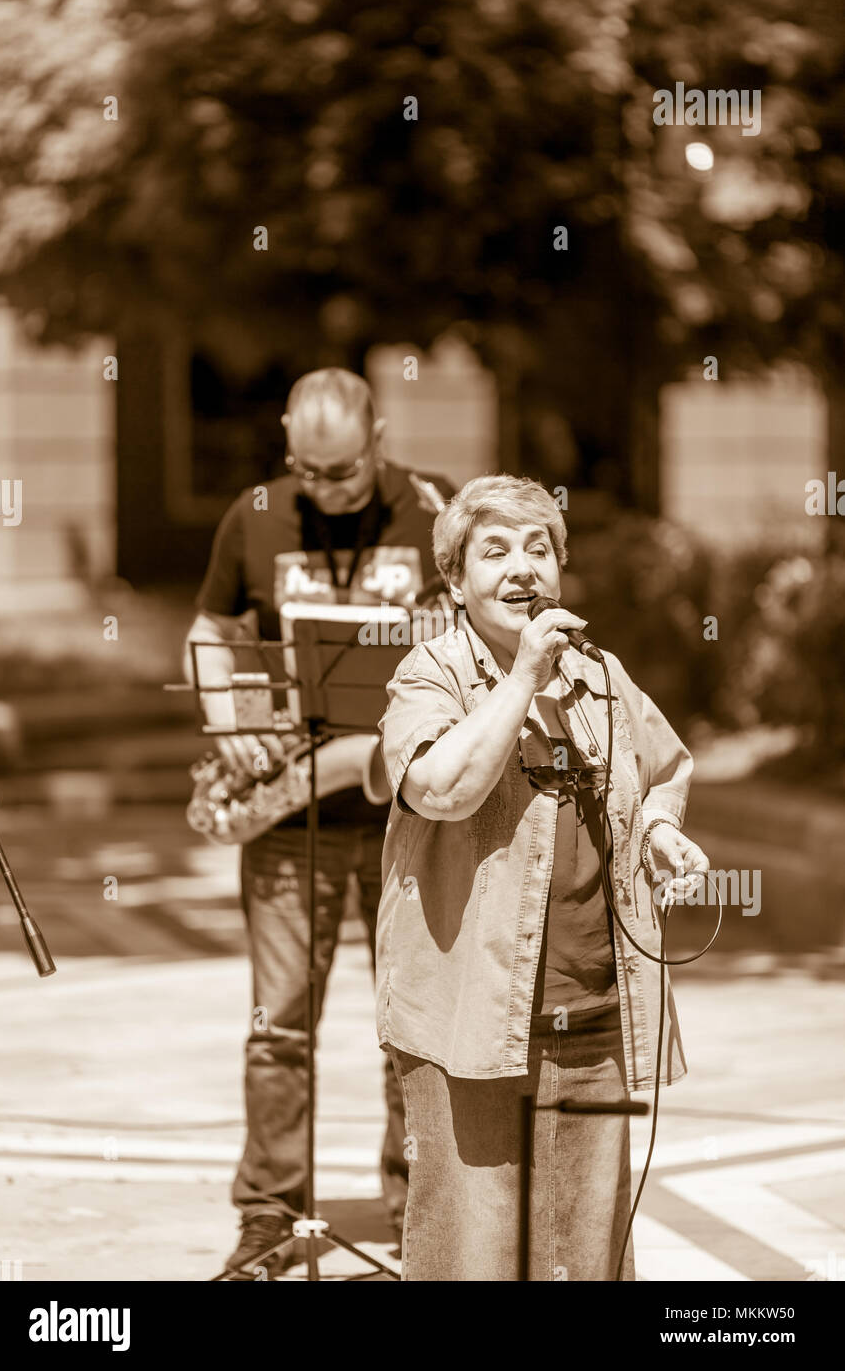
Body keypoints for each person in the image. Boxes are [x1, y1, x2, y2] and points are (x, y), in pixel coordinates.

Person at [375, 473, 710, 1281]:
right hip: (471, 1021)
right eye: (495, 552)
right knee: (475, 1257)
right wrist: (522, 676)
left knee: (588, 1256)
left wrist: (661, 830)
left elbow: (665, 766)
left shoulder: (601, 675)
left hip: (595, 1010)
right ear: (455, 581)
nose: (523, 568)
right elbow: (441, 790)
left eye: (540, 549)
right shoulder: (430, 675)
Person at [186, 368, 454, 1277]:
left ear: (379, 438)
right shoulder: (255, 512)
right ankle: (268, 1219)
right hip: (288, 820)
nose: (324, 490)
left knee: (412, 1027)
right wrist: (232, 728)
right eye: (306, 469)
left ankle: (422, 1209)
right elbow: (210, 630)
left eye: (341, 473)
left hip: (410, 819)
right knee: (278, 1027)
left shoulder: (434, 511)